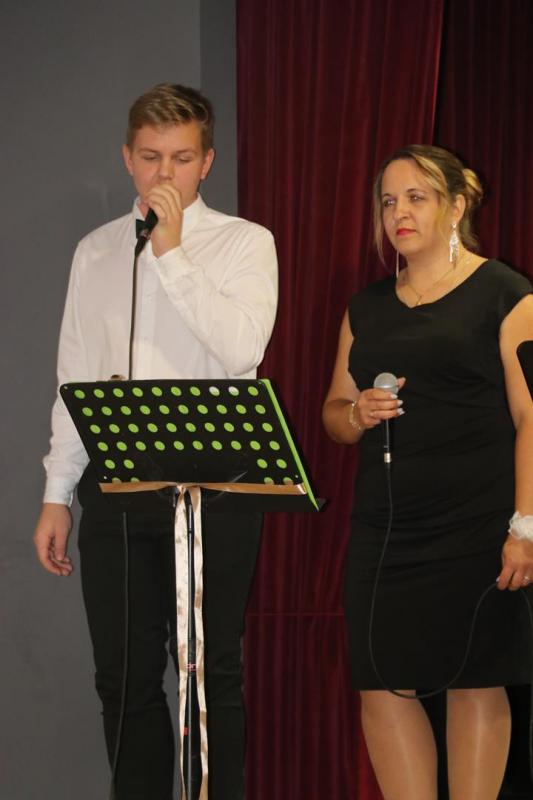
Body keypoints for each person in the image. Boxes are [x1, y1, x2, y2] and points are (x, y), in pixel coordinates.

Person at [33, 83, 278, 800]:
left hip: (215, 487)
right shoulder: (96, 251)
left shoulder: (244, 242)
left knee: (209, 674)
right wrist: (56, 492)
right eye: (149, 157)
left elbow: (241, 349)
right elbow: (74, 376)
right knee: (123, 678)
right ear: (127, 158)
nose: (163, 173)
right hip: (116, 484)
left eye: (180, 158)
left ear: (207, 162)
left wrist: (171, 254)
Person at [322, 145, 533, 800]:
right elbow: (332, 414)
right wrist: (355, 413)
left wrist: (525, 526)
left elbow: (531, 416)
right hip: (386, 529)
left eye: (416, 197)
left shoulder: (505, 292)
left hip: (478, 524)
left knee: (475, 680)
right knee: (382, 683)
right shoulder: (365, 307)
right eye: (388, 201)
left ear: (456, 206)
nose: (398, 213)